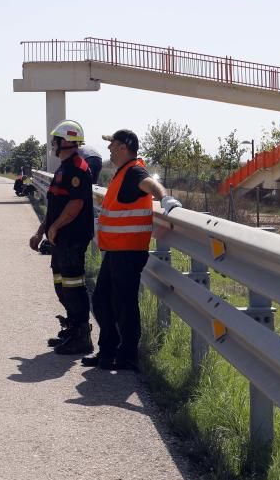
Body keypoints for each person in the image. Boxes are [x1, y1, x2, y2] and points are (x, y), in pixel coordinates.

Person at [84, 129, 180, 371]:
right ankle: (108, 352)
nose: (109, 149)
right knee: (103, 300)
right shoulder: (123, 173)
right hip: (117, 251)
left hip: (127, 252)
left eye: (112, 145)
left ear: (124, 147)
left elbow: (151, 184)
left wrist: (165, 198)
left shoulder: (134, 171)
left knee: (123, 304)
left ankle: (126, 356)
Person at [30, 120, 94, 355]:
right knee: (62, 285)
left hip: (72, 239)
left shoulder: (77, 168)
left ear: (66, 141)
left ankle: (82, 337)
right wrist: (41, 231)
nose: (53, 144)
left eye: (56, 140)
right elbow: (56, 205)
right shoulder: (63, 168)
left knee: (73, 286)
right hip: (61, 240)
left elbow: (76, 204)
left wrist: (55, 227)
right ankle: (72, 328)